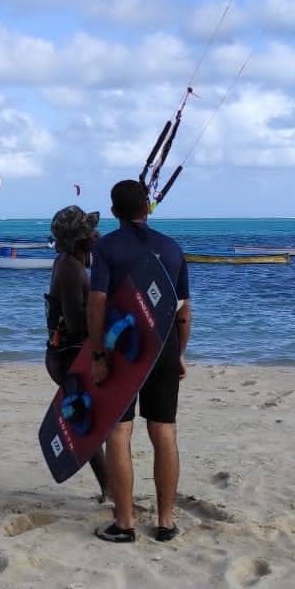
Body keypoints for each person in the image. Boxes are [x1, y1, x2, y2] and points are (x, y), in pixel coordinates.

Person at [88, 179, 191, 545]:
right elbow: (182, 309)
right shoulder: (173, 248)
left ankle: (125, 523)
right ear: (147, 208)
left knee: (119, 432)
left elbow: (97, 301)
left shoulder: (107, 249)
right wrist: (178, 353)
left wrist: (98, 353)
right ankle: (166, 522)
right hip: (162, 348)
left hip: (122, 350)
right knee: (164, 431)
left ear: (114, 211)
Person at [45, 205, 108, 498]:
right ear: (80, 239)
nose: (97, 234)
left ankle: (108, 487)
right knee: (88, 422)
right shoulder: (70, 269)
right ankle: (109, 488)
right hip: (68, 356)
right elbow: (75, 323)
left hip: (67, 353)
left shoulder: (75, 262)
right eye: (90, 230)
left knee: (90, 419)